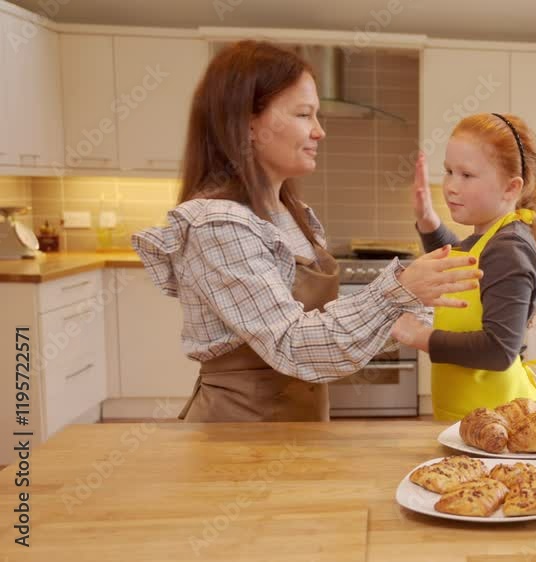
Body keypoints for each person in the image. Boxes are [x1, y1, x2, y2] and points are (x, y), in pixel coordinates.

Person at [131, 40, 481, 423]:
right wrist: (395, 292)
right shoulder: (216, 225)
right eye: (304, 114)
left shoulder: (292, 215)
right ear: (247, 124)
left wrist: (417, 312)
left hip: (301, 425)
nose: (319, 132)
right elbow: (293, 345)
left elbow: (327, 332)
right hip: (238, 437)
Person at [391, 113, 536, 421]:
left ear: (510, 188)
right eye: (448, 171)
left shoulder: (509, 249)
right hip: (477, 422)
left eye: (467, 175)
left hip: (503, 428)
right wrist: (429, 223)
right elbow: (463, 265)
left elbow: (498, 350)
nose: (451, 187)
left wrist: (421, 337)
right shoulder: (491, 236)